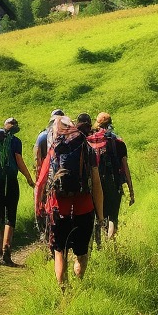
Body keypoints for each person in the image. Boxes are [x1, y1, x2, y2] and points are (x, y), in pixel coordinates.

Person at [34, 114, 103, 288]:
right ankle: (79, 283)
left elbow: (41, 182)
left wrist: (38, 207)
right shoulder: (87, 148)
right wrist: (100, 217)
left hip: (58, 208)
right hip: (84, 207)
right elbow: (96, 184)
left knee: (59, 251)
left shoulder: (54, 149)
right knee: (81, 253)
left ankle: (63, 290)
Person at [0, 117, 35, 266]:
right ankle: (7, 253)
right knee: (10, 216)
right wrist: (29, 179)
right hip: (10, 180)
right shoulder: (15, 141)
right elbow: (19, 161)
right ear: (15, 128)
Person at [89, 112, 135, 245]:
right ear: (111, 124)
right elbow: (125, 168)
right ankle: (110, 244)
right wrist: (131, 191)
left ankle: (98, 246)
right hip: (114, 184)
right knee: (112, 217)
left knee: (98, 215)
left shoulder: (91, 140)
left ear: (97, 123)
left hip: (95, 183)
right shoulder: (118, 142)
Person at [33, 109, 64, 241]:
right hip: (61, 175)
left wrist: (38, 177)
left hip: (45, 175)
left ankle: (43, 231)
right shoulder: (68, 135)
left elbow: (37, 159)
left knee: (41, 202)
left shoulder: (42, 136)